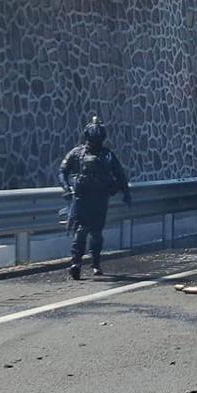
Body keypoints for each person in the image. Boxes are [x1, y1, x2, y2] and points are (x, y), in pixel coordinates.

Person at [59, 117, 131, 279]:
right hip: (93, 199)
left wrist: (66, 187)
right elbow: (120, 176)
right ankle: (91, 263)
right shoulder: (104, 155)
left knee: (83, 230)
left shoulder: (81, 153)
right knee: (92, 231)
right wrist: (126, 194)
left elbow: (62, 170)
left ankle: (79, 262)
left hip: (87, 198)